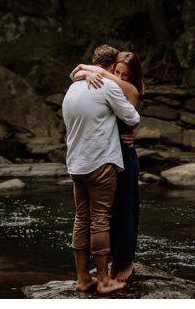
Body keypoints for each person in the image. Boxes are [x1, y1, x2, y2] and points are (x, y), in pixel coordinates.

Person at [60, 45, 141, 295]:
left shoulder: (73, 87)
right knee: (100, 221)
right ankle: (104, 281)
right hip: (100, 163)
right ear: (109, 67)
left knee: (81, 219)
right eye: (115, 71)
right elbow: (133, 118)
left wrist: (84, 70)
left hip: (75, 163)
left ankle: (84, 279)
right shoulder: (107, 86)